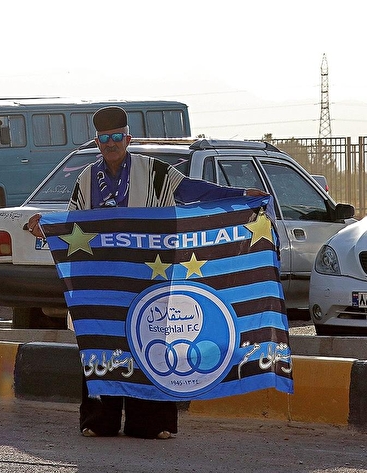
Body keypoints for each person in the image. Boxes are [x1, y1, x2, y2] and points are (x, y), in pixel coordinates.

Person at [26, 105, 268, 440]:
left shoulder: (154, 172)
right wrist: (45, 227)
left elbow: (193, 191)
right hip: (105, 280)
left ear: (128, 138)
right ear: (97, 142)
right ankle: (99, 420)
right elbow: (72, 226)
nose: (110, 144)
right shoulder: (86, 179)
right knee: (102, 339)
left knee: (151, 340)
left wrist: (239, 196)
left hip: (149, 276)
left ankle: (153, 423)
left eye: (116, 137)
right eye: (104, 138)